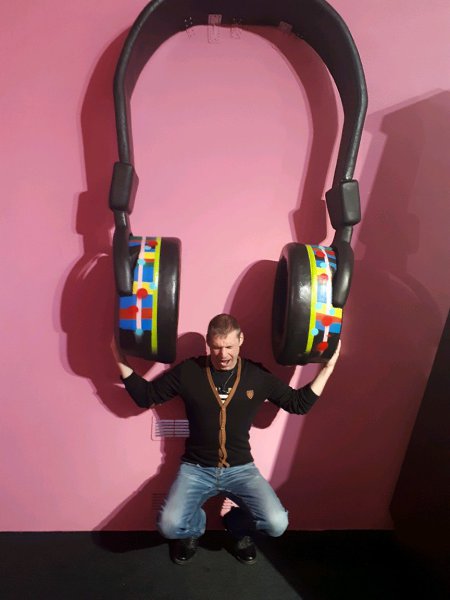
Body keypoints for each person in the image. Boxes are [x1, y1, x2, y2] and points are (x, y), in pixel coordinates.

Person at [112, 313, 340, 565]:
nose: (223, 355)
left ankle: (237, 526)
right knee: (169, 525)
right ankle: (195, 528)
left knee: (277, 524)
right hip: (195, 469)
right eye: (217, 347)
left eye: (229, 346)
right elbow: (146, 396)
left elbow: (298, 404)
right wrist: (118, 355)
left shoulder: (256, 375)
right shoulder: (189, 371)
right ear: (208, 343)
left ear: (241, 340)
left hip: (241, 469)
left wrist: (327, 368)